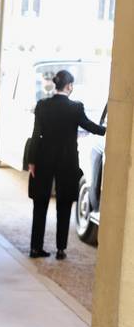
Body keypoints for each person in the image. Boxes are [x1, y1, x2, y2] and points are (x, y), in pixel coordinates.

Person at [28, 70, 105, 259]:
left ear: (56, 85)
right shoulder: (75, 108)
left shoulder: (42, 105)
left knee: (40, 204)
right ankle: (61, 249)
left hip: (43, 159)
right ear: (69, 86)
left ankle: (35, 248)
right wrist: (107, 130)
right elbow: (89, 126)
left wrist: (31, 161)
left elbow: (36, 134)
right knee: (64, 204)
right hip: (67, 161)